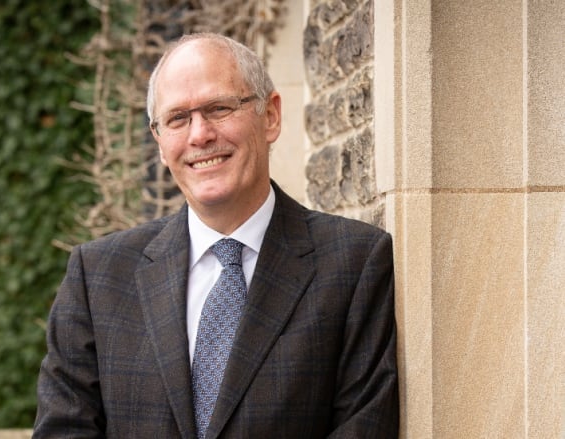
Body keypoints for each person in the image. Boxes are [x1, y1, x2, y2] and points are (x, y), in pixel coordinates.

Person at [33, 33, 398, 438]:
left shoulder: (354, 263)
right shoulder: (98, 274)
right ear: (159, 141)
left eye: (219, 108)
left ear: (270, 115)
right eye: (177, 118)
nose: (199, 134)